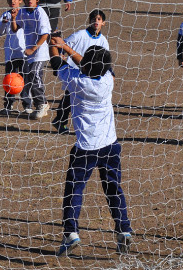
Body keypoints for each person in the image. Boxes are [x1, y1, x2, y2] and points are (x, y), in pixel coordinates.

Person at [48, 42, 132, 256]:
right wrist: (66, 46)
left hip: (85, 149)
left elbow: (55, 62)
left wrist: (55, 43)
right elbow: (86, 63)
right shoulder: (108, 80)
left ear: (85, 65)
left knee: (74, 190)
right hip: (111, 146)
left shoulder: (76, 81)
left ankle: (71, 233)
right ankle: (124, 230)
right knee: (114, 188)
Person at [51, 9, 109, 134]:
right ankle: (60, 120)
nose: (96, 21)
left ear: (103, 23)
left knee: (74, 98)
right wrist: (60, 54)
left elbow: (105, 57)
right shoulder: (80, 35)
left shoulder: (103, 40)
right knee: (70, 97)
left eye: (99, 19)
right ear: (89, 21)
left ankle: (61, 120)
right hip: (74, 71)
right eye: (94, 19)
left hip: (90, 74)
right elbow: (63, 43)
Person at [10, 0, 51, 119]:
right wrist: (13, 18)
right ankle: (40, 105)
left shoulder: (40, 13)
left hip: (40, 51)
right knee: (32, 78)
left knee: (34, 73)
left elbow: (45, 34)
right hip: (30, 53)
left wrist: (33, 48)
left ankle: (42, 103)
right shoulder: (22, 11)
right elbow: (15, 29)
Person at [0, 0, 26, 113]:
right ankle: (8, 105)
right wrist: (2, 23)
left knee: (24, 79)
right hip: (10, 53)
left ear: (20, 0)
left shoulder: (25, 14)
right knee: (9, 79)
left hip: (23, 52)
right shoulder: (5, 15)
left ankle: (27, 105)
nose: (12, 1)